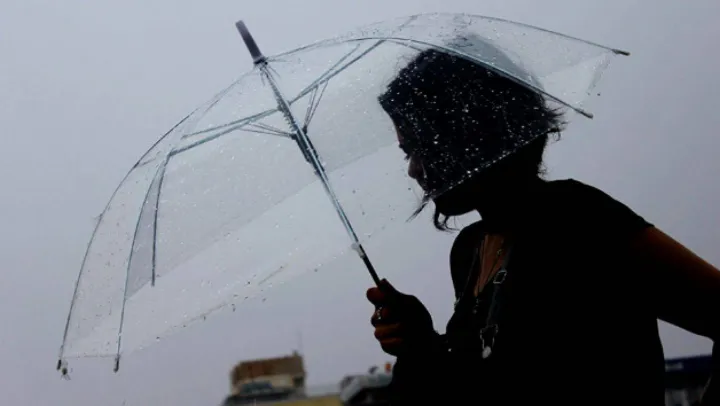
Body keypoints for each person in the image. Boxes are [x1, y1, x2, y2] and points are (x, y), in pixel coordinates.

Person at [366, 44, 720, 405]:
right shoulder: (470, 249)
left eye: (422, 147)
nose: (413, 169)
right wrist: (420, 342)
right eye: (407, 152)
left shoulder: (579, 219)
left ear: (469, 132)